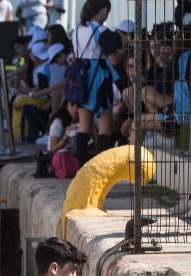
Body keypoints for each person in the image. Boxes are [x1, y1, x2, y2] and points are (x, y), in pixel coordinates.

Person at [70, 0, 116, 164]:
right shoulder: (102, 31)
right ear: (104, 10)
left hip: (81, 79)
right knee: (105, 127)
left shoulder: (76, 31)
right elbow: (114, 59)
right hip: (99, 79)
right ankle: (102, 168)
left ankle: (82, 168)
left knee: (84, 126)